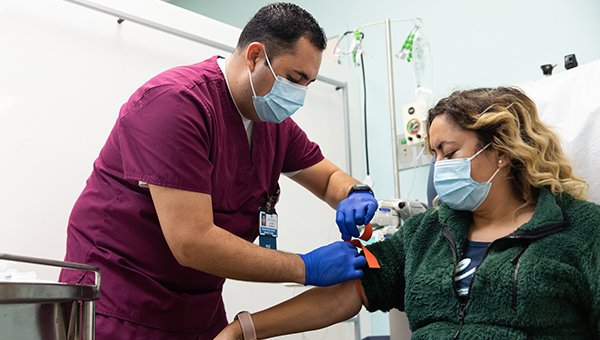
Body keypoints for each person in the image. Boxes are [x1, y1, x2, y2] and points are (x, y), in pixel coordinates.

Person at [59, 3, 377, 339]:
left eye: (308, 83)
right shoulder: (175, 104)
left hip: (197, 308)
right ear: (255, 56)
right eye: (295, 79)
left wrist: (354, 193)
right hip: (121, 302)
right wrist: (306, 267)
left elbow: (328, 179)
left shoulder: (272, 124)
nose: (299, 95)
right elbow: (192, 241)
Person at [214, 86, 600, 339]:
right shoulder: (427, 234)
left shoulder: (583, 232)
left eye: (449, 153)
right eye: (433, 155)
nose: (438, 168)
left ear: (501, 152)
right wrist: (244, 329)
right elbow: (347, 294)